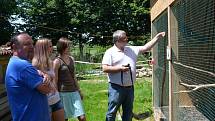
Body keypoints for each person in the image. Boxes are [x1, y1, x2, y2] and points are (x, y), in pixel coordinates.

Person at [102, 30, 165, 121]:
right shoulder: (110, 52)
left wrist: (157, 37)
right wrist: (120, 68)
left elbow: (146, 47)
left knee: (128, 112)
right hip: (116, 88)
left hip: (130, 88)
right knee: (112, 112)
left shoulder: (131, 49)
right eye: (125, 38)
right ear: (118, 40)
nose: (127, 39)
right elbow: (105, 68)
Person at [5, 32, 53, 121]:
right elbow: (47, 89)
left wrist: (44, 75)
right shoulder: (23, 66)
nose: (32, 47)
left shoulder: (15, 63)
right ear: (15, 47)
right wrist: (48, 78)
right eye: (27, 44)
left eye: (32, 43)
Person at [53, 37, 86, 121]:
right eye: (68, 46)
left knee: (82, 117)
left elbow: (73, 76)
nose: (70, 48)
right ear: (62, 47)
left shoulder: (71, 59)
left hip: (74, 91)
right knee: (64, 118)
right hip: (63, 93)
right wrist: (56, 95)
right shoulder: (57, 61)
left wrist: (79, 90)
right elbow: (55, 80)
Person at [32, 38, 65, 121]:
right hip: (45, 103)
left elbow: (53, 79)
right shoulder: (35, 63)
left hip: (56, 99)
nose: (52, 48)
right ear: (43, 48)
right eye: (50, 46)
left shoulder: (49, 61)